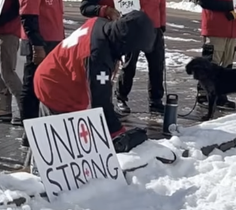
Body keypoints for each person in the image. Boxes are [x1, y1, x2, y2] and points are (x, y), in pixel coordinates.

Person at [32, 12, 158, 146]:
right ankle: (39, 159)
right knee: (60, 146)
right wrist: (118, 132)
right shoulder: (98, 57)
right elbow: (100, 102)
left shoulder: (100, 23)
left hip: (58, 72)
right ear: (126, 41)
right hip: (56, 87)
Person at [17, 0, 64, 123]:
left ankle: (46, 123)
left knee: (50, 85)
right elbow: (28, 17)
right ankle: (29, 129)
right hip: (39, 42)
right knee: (32, 86)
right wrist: (37, 45)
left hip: (54, 41)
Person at [117, 0, 169, 114]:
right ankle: (121, 97)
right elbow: (122, 6)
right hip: (135, 30)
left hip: (154, 29)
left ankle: (156, 100)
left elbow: (162, 5)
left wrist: (162, 24)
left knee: (157, 65)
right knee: (130, 65)